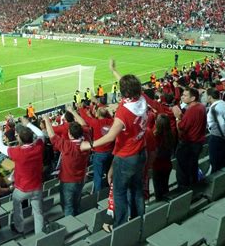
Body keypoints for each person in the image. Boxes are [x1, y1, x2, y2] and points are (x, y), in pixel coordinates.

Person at [81, 60, 147, 228]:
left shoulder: (124, 113)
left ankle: (120, 227)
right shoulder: (141, 98)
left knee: (119, 191)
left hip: (127, 157)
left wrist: (89, 145)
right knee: (137, 190)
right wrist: (113, 70)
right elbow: (125, 84)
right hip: (141, 152)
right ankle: (139, 221)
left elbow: (110, 137)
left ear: (124, 93)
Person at [0, 117, 45, 234]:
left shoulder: (17, 152)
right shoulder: (38, 147)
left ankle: (19, 227)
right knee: (38, 213)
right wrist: (28, 124)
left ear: (20, 138)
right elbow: (41, 134)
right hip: (37, 187)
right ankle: (40, 235)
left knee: (17, 208)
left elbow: (0, 147)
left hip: (22, 189)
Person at [44, 116, 90, 216]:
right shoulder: (86, 142)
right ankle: (77, 220)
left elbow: (52, 135)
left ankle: (71, 227)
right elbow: (84, 125)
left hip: (68, 181)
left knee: (68, 206)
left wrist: (46, 120)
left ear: (69, 134)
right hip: (81, 179)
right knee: (76, 203)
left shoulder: (67, 146)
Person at [172, 87, 207, 189]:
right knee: (192, 167)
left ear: (193, 98)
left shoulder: (192, 110)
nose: (182, 97)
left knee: (183, 170)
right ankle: (194, 187)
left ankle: (185, 192)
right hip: (197, 143)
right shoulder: (201, 106)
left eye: (185, 95)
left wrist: (178, 117)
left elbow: (182, 127)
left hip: (189, 144)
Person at [207, 88, 225, 173]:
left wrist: (224, 136)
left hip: (218, 137)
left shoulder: (214, 108)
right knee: (223, 159)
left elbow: (221, 124)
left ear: (209, 97)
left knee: (215, 162)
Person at [148, 114, 174, 201]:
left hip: (157, 165)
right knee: (165, 186)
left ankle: (160, 205)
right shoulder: (171, 134)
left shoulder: (155, 136)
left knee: (158, 190)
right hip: (167, 164)